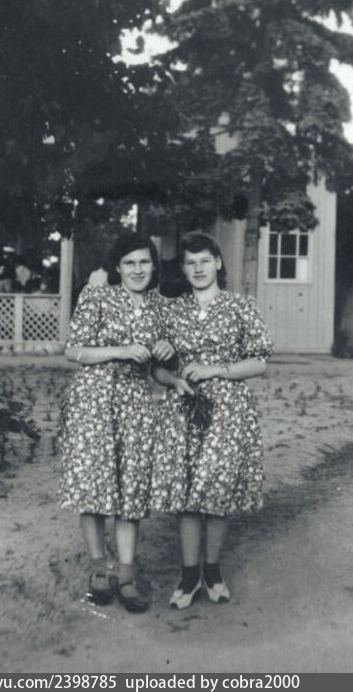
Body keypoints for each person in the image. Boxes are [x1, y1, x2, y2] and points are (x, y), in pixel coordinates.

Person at [151, 232, 273, 610]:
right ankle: (189, 575)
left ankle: (213, 570)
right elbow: (156, 370)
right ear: (184, 269)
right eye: (190, 262)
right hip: (184, 408)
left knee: (217, 490)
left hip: (228, 411)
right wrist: (174, 379)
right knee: (188, 492)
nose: (198, 268)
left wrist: (215, 370)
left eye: (205, 260)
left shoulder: (240, 306)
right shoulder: (172, 311)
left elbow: (260, 361)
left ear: (218, 263)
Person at [59, 234, 174, 613]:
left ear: (154, 266)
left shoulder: (162, 309)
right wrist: (120, 350)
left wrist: (166, 353)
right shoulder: (97, 297)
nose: (137, 270)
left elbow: (157, 368)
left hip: (136, 404)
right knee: (94, 486)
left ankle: (126, 576)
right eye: (129, 263)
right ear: (118, 268)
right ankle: (98, 571)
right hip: (93, 402)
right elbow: (73, 350)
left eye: (144, 262)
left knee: (130, 489)